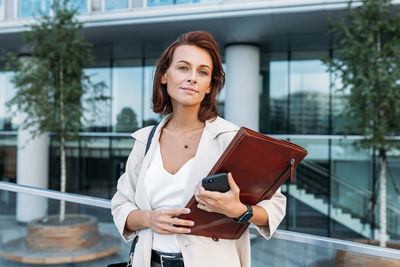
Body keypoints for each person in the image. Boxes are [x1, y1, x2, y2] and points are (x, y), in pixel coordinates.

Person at [111, 31, 286, 267]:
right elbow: (121, 204)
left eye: (203, 72)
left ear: (208, 86)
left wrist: (238, 209)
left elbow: (274, 205)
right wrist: (149, 219)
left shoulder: (230, 139)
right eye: (183, 68)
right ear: (164, 75)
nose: (193, 78)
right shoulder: (145, 140)